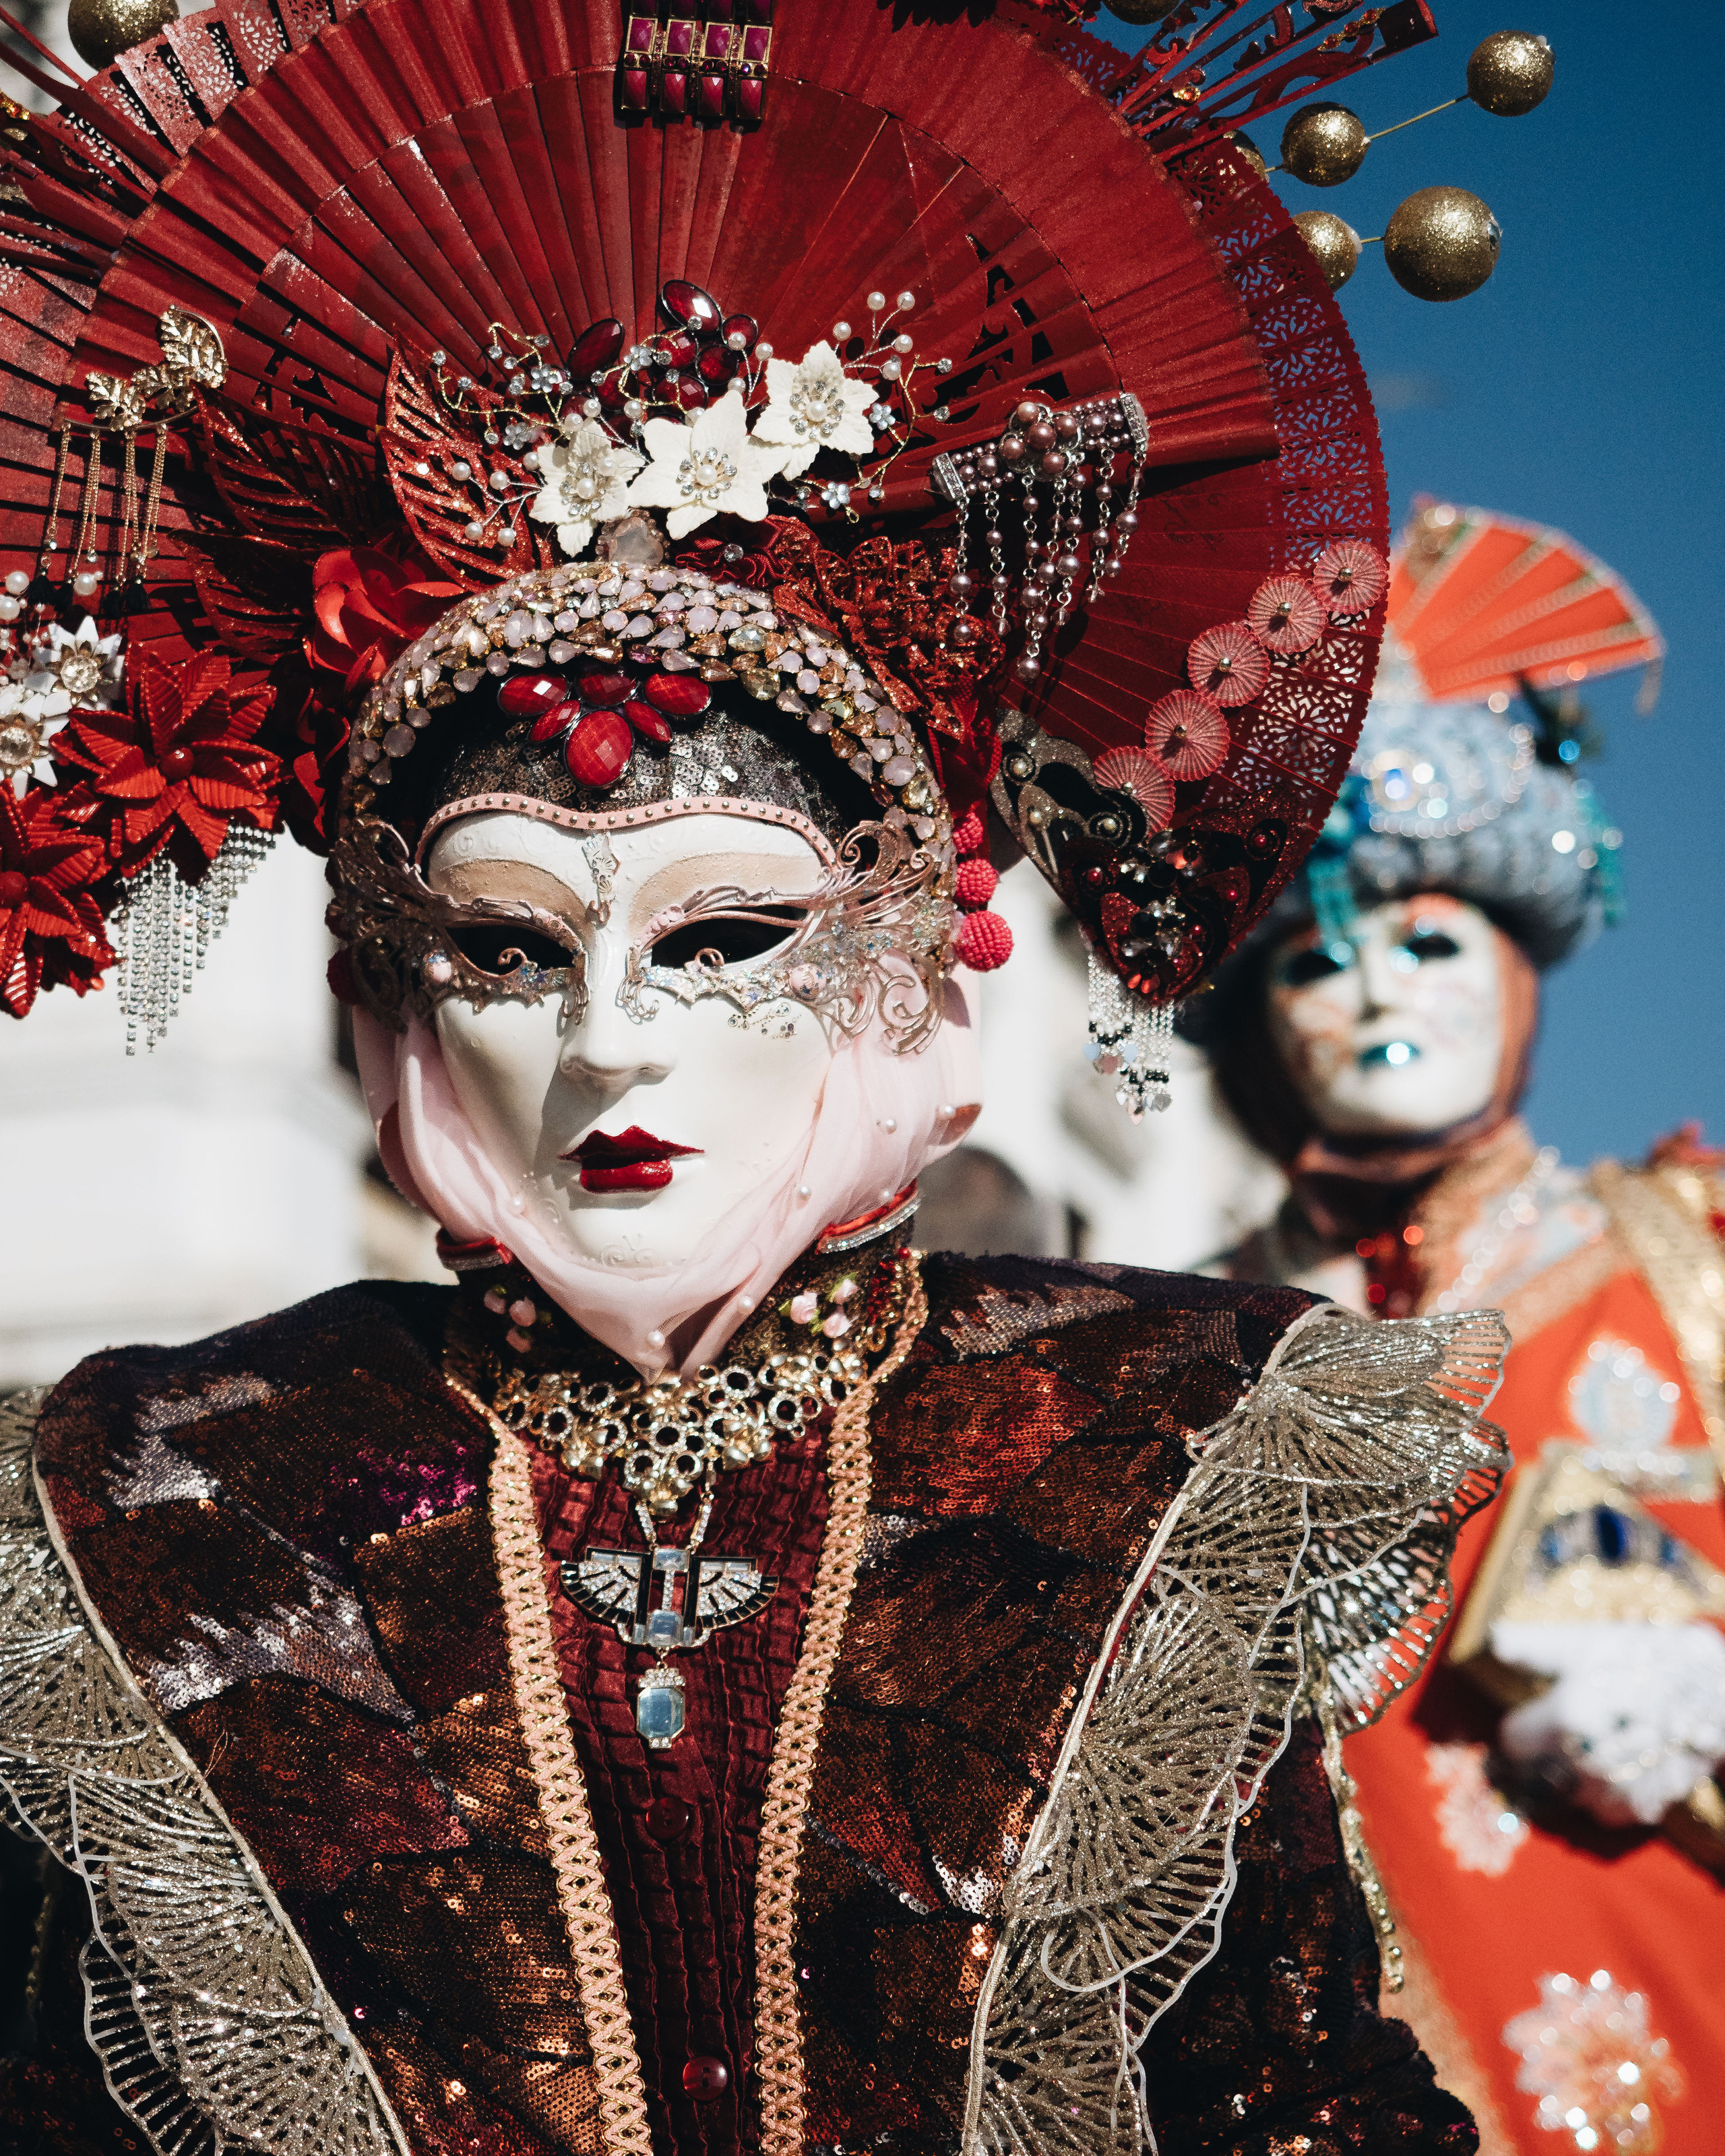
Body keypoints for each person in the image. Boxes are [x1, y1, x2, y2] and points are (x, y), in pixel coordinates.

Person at [0, 8, 1517, 2150]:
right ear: (395, 999)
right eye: (509, 950)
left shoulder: (1150, 1446)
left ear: (904, 957)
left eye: (723, 937)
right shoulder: (166, 1494)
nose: (611, 1040)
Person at [1199, 499, 1723, 2155]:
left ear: (1519, 963)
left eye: (1427, 939)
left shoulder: (1688, 1250)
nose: (1373, 992)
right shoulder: (1200, 1341)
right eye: (1313, 961)